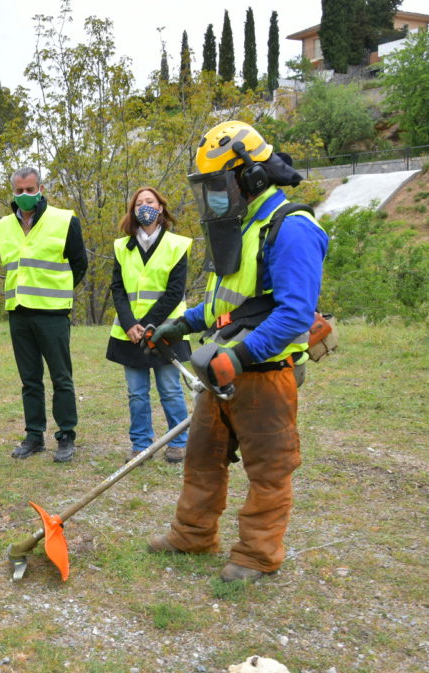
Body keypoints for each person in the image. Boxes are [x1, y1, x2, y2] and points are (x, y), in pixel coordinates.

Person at [147, 121, 328, 583]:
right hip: (222, 372)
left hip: (265, 374)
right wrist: (180, 323)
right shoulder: (244, 227)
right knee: (202, 458)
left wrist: (241, 357)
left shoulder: (292, 228)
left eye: (219, 184)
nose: (214, 196)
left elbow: (294, 313)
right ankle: (192, 533)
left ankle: (257, 554)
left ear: (249, 177)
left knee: (269, 470)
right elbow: (223, 306)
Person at [0, 167, 88, 463]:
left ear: (41, 188)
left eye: (30, 189)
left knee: (61, 377)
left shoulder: (64, 220)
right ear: (13, 191)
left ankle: (66, 436)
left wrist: (60, 291)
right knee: (30, 379)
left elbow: (79, 263)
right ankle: (34, 436)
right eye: (20, 190)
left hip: (52, 313)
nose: (25, 195)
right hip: (19, 312)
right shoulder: (4, 225)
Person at [106, 186, 193, 463]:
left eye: (150, 201)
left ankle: (178, 442)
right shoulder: (122, 247)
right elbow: (117, 290)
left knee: (169, 389)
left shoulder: (176, 245)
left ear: (160, 207)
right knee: (137, 394)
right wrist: (131, 324)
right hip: (129, 334)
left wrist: (147, 324)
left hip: (166, 331)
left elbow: (174, 291)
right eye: (139, 202)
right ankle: (141, 445)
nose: (144, 206)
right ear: (133, 211)